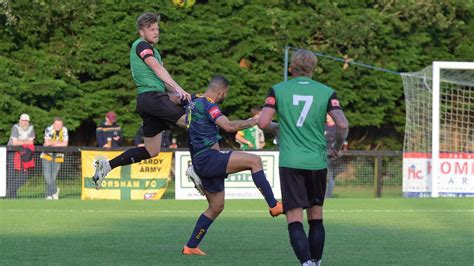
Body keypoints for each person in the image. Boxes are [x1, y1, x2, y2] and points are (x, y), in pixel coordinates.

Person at [258, 49, 349, 266]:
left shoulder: (278, 90)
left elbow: (262, 123)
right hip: (316, 161)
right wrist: (336, 146)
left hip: (290, 161)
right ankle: (316, 262)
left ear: (291, 68)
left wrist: (280, 127)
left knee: (294, 217)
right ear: (313, 69)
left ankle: (306, 263)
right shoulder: (327, 92)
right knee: (316, 216)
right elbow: (343, 124)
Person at [182, 75, 283, 256]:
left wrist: (272, 125)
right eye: (226, 93)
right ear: (221, 91)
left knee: (216, 207)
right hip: (208, 159)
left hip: (201, 160)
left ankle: (190, 246)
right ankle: (274, 205)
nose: (225, 96)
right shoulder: (209, 105)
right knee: (255, 161)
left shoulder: (194, 100)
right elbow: (229, 126)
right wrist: (255, 120)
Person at [92, 12, 191, 188]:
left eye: (157, 29)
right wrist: (179, 89)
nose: (156, 32)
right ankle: (197, 169)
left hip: (148, 101)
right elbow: (156, 68)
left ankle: (108, 165)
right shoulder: (141, 45)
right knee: (194, 122)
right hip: (153, 99)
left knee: (152, 150)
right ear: (141, 32)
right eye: (151, 29)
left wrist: (178, 95)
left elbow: (161, 79)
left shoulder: (154, 50)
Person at [6, 113, 36, 198]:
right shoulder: (15, 127)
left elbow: (31, 142)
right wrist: (25, 141)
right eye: (23, 120)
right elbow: (14, 143)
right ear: (19, 120)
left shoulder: (31, 127)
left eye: (26, 121)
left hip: (25, 153)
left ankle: (9, 191)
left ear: (28, 121)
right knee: (10, 174)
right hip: (12, 152)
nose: (24, 122)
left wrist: (20, 142)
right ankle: (12, 196)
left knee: (24, 175)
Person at [40, 117, 68, 200]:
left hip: (58, 156)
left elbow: (65, 144)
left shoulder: (65, 130)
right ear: (53, 124)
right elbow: (46, 143)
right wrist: (58, 142)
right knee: (47, 176)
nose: (58, 126)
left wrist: (52, 143)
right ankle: (55, 190)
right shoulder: (48, 129)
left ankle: (48, 195)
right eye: (56, 124)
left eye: (60, 124)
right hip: (47, 155)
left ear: (62, 124)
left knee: (53, 177)